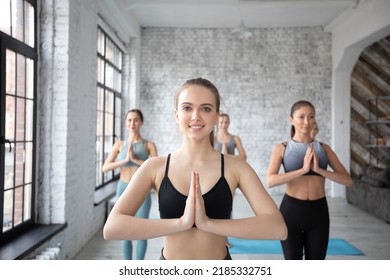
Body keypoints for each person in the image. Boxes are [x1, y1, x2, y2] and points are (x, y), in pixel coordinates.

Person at [103, 77, 287, 260]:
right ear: (176, 115)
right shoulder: (154, 167)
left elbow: (277, 228)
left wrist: (208, 224)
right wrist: (182, 223)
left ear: (216, 116)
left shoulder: (236, 168)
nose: (196, 116)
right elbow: (112, 228)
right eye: (187, 108)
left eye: (205, 109)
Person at [266, 100, 353, 260]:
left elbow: (347, 180)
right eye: (301, 117)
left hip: (318, 213)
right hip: (291, 212)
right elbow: (271, 181)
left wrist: (319, 170)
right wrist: (303, 170)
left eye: (311, 117)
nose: (307, 122)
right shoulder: (282, 148)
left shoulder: (324, 149)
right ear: (291, 119)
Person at [102, 109, 158, 260]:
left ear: (141, 122)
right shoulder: (119, 145)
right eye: (129, 120)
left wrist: (135, 160)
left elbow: (156, 170)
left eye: (136, 120)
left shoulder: (149, 145)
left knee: (142, 232)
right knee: (124, 232)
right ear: (126, 122)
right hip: (123, 188)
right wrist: (125, 160)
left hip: (143, 192)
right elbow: (105, 167)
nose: (132, 123)